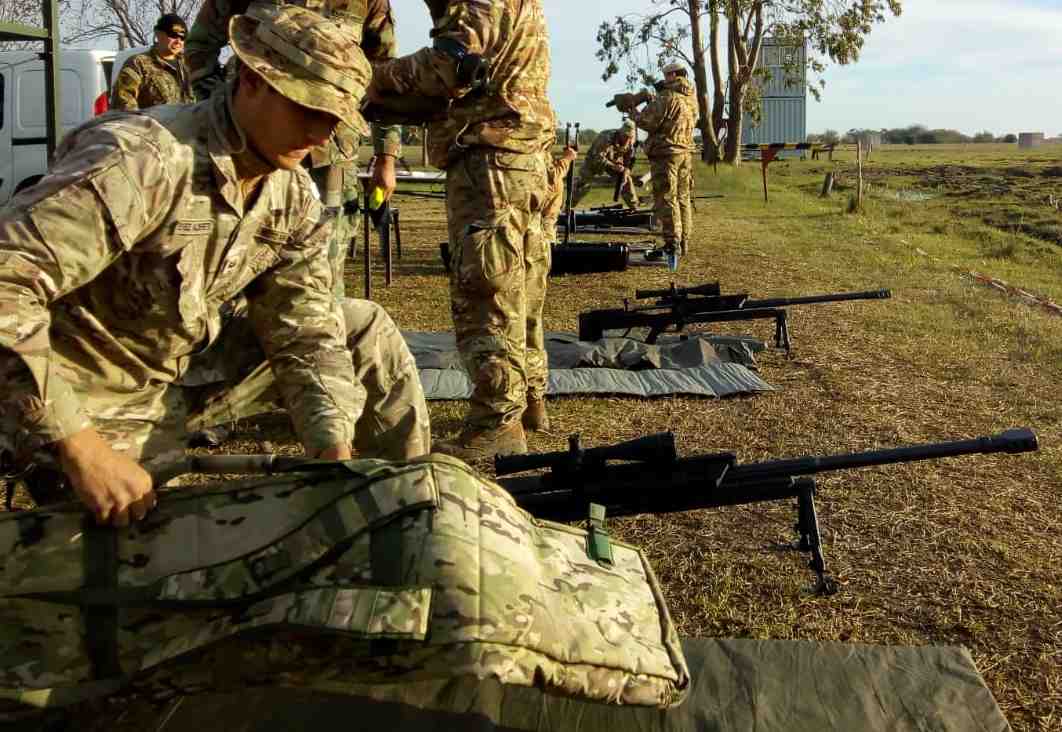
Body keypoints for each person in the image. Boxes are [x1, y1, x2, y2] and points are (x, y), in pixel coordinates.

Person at [0, 6, 430, 528]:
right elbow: (7, 286)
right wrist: (83, 448)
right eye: (308, 109)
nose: (322, 134)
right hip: (80, 391)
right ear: (251, 79)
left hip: (180, 371)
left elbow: (306, 329)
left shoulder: (289, 191)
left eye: (336, 121)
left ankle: (399, 519)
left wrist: (332, 454)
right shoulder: (143, 160)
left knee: (360, 326)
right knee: (145, 568)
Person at [367, 0, 556, 458]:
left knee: (487, 289)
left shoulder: (477, 4)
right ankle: (530, 397)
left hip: (490, 160)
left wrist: (371, 74)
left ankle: (496, 422)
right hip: (525, 157)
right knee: (523, 285)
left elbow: (445, 68)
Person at [185, 0, 403, 300]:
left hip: (331, 154)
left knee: (321, 274)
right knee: (236, 263)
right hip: (250, 150)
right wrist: (225, 108)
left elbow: (383, 71)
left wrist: (386, 156)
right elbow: (199, 46)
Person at [628, 62, 697, 256]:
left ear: (672, 75)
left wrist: (633, 112)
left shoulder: (667, 97)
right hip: (685, 154)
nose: (663, 79)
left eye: (666, 75)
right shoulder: (691, 99)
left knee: (666, 198)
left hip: (666, 155)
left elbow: (648, 122)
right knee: (683, 198)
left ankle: (671, 243)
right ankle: (684, 240)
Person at [110, 13, 196, 110]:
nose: (178, 41)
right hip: (152, 124)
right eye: (173, 35)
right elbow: (123, 104)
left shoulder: (190, 65)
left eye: (182, 38)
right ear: (158, 34)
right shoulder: (139, 64)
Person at [571, 121, 640, 209]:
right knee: (583, 185)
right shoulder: (606, 137)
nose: (627, 139)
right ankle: (567, 208)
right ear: (620, 133)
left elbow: (629, 160)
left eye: (630, 137)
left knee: (626, 180)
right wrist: (613, 166)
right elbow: (597, 157)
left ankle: (634, 207)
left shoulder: (631, 142)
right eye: (625, 136)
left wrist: (626, 171)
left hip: (614, 162)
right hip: (594, 161)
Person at [543, 144, 579, 245]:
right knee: (547, 246)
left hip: (549, 210)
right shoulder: (536, 151)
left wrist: (566, 156)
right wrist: (567, 158)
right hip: (544, 213)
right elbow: (553, 176)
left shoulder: (542, 152)